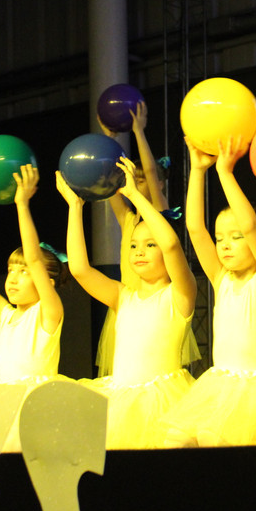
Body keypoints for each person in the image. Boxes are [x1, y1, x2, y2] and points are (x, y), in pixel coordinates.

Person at [160, 137, 256, 446]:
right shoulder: (221, 278)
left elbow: (251, 226)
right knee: (175, 439)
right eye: (221, 238)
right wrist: (199, 170)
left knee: (219, 440)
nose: (224, 244)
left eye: (235, 237)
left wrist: (225, 173)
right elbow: (195, 229)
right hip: (220, 385)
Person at [59, 158, 196, 449]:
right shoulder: (122, 297)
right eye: (133, 245)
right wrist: (75, 208)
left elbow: (171, 244)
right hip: (120, 397)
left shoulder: (179, 294)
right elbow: (80, 269)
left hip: (163, 401)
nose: (139, 252)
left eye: (150, 245)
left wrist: (134, 195)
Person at [0, 165, 67, 451]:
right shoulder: (5, 316)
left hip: (39, 409)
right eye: (10, 270)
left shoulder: (48, 312)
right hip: (4, 408)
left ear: (49, 282)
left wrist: (22, 204)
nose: (12, 277)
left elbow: (34, 257)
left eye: (23, 271)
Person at [95, 101, 200, 376]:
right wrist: (108, 142)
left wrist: (138, 131)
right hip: (130, 300)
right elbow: (108, 186)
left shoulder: (160, 216)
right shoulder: (129, 219)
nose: (136, 184)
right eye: (133, 180)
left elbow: (151, 173)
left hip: (161, 301)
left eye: (140, 180)